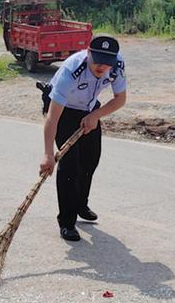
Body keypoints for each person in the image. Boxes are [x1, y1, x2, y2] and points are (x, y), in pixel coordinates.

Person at [38, 35, 127, 241]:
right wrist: (48, 154)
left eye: (107, 63)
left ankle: (80, 204)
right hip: (64, 111)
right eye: (97, 61)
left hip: (89, 108)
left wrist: (95, 115)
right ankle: (67, 222)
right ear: (88, 53)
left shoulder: (117, 65)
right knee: (70, 167)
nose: (101, 67)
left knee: (90, 160)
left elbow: (120, 99)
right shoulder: (71, 71)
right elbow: (52, 118)